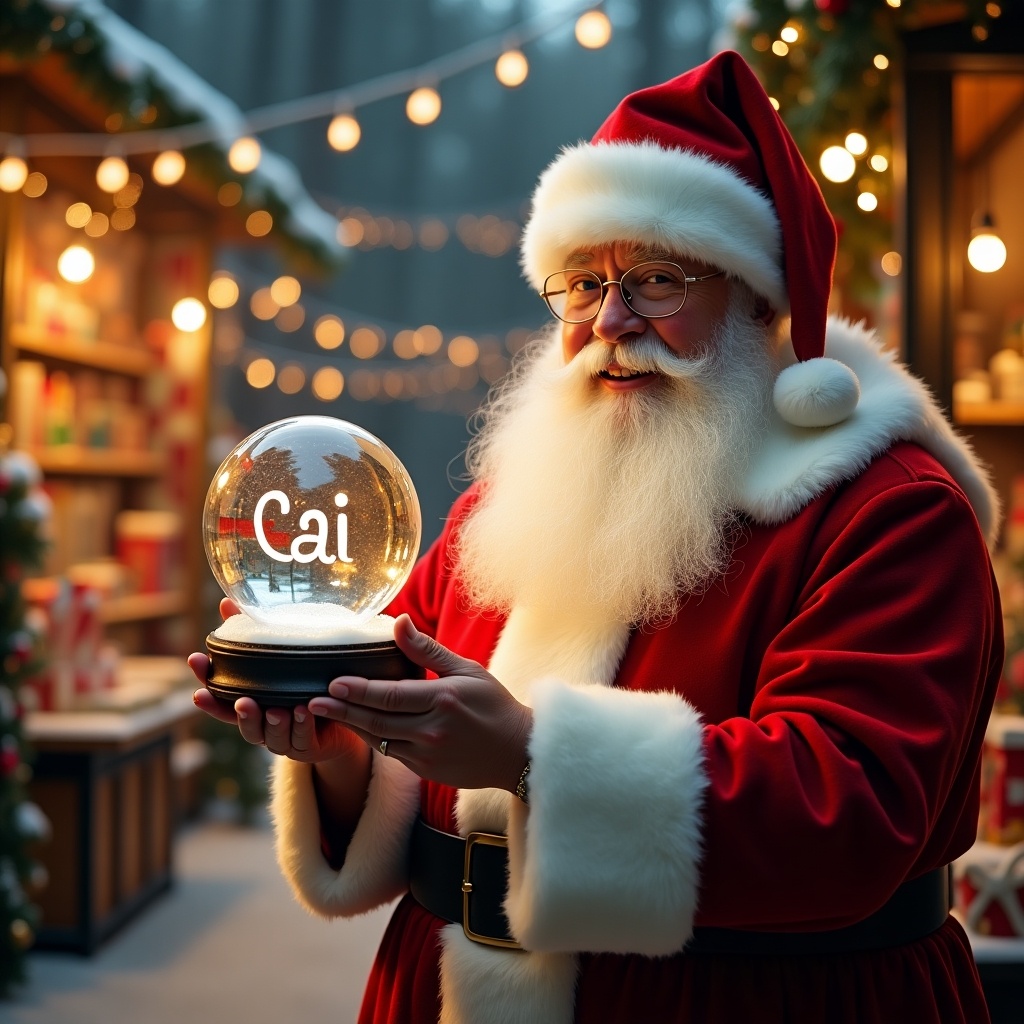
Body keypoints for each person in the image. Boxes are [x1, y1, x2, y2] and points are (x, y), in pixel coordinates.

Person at [190, 50, 1003, 1024]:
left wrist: (536, 758)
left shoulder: (885, 511)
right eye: (579, 283)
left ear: (757, 299)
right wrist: (335, 747)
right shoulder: (511, 502)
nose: (610, 319)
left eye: (657, 278)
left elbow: (850, 804)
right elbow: (413, 718)